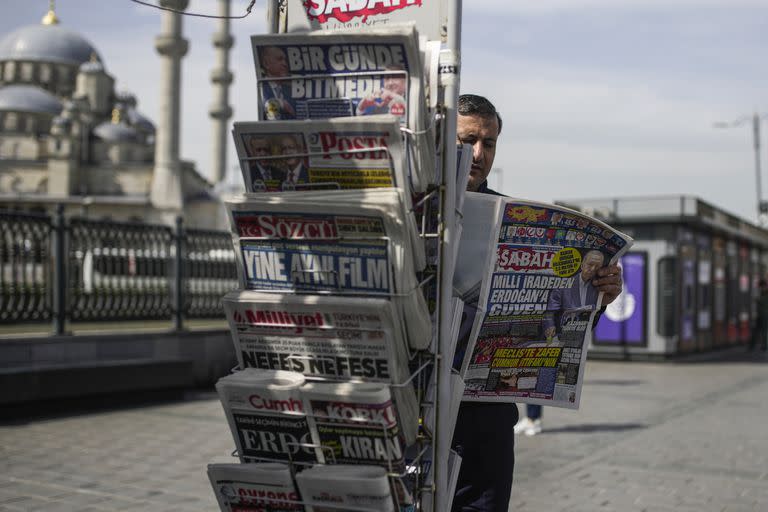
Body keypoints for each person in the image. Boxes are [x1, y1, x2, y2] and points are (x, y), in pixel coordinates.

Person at [451, 94, 624, 511]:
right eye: (467, 140)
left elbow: (556, 332)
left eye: (488, 143)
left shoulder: (510, 216)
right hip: (418, 412)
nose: (478, 154)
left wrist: (598, 297)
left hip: (485, 424)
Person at [543, 249, 606, 340]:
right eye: (590, 264)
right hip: (559, 336)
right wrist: (550, 326)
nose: (593, 269)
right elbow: (549, 312)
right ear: (582, 265)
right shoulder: (563, 285)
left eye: (597, 267)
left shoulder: (598, 286)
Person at [259, 46, 297, 120]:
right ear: (266, 64)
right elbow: (270, 114)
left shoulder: (289, 91)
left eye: (285, 60)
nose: (285, 64)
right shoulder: (262, 87)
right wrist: (280, 103)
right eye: (280, 59)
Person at [749, 278, 768, 351]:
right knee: (756, 330)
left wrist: (758, 299)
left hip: (764, 314)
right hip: (760, 314)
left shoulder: (765, 293)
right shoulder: (762, 293)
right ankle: (752, 345)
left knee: (763, 331)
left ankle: (764, 346)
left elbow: (762, 301)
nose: (760, 288)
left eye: (761, 287)